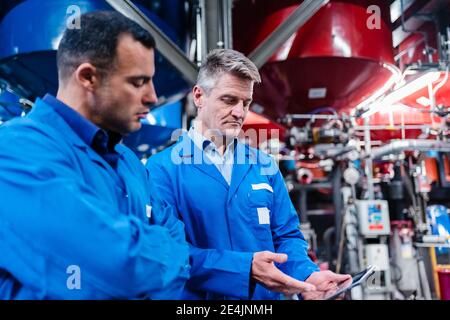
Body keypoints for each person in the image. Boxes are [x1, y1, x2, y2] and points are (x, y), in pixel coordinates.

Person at [0, 11, 190, 299]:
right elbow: (121, 267)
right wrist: (162, 253)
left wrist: (145, 252)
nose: (153, 97)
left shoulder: (128, 163)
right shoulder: (14, 150)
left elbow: (179, 244)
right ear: (88, 77)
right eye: (139, 82)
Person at [146, 48, 351, 300]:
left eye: (246, 103)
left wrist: (307, 276)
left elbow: (286, 236)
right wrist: (245, 269)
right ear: (199, 96)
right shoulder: (162, 169)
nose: (240, 113)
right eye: (229, 100)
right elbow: (167, 252)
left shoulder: (263, 165)